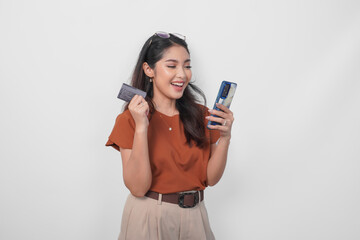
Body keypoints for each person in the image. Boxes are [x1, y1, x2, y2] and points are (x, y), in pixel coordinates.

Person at [105, 31, 234, 240]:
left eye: (187, 66)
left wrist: (225, 138)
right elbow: (138, 187)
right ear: (149, 69)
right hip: (147, 216)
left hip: (196, 216)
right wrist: (141, 128)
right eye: (172, 66)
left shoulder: (202, 116)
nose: (182, 74)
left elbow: (210, 178)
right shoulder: (129, 120)